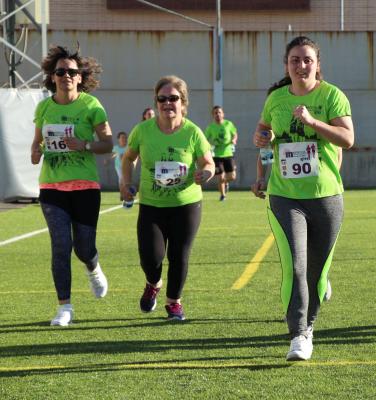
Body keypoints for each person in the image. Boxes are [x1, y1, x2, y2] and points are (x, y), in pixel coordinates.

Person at [253, 36, 354, 361]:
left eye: (307, 59)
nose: (301, 65)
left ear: (317, 64)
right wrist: (261, 138)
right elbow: (265, 131)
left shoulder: (332, 96)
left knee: (317, 273)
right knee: (295, 267)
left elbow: (348, 139)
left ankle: (310, 321)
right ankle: (299, 334)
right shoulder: (276, 99)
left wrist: (313, 122)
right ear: (287, 65)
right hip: (285, 196)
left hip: (326, 195)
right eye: (295, 60)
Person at [30, 45, 113, 326]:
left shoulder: (91, 105)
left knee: (83, 247)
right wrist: (37, 151)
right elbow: (35, 147)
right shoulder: (43, 107)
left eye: (72, 72)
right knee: (60, 246)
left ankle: (92, 266)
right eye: (61, 71)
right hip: (52, 188)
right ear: (52, 77)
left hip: (86, 187)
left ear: (80, 77)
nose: (66, 75)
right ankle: (64, 307)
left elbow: (108, 143)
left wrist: (85, 144)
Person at [120, 75, 215, 321]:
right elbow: (128, 158)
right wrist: (126, 182)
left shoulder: (193, 132)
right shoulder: (142, 131)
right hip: (152, 205)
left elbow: (208, 162)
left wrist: (205, 173)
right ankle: (153, 283)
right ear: (156, 102)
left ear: (183, 102)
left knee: (179, 256)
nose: (167, 103)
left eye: (173, 98)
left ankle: (174, 302)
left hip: (186, 204)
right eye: (162, 99)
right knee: (150, 258)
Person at [204, 106, 238, 201]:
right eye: (215, 113)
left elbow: (234, 133)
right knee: (221, 177)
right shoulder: (210, 127)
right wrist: (210, 146)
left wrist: (234, 140)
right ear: (213, 115)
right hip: (216, 155)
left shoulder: (228, 124)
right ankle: (223, 196)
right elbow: (205, 140)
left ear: (223, 114)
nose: (217, 114)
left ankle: (225, 183)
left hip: (228, 154)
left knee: (232, 176)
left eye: (219, 112)